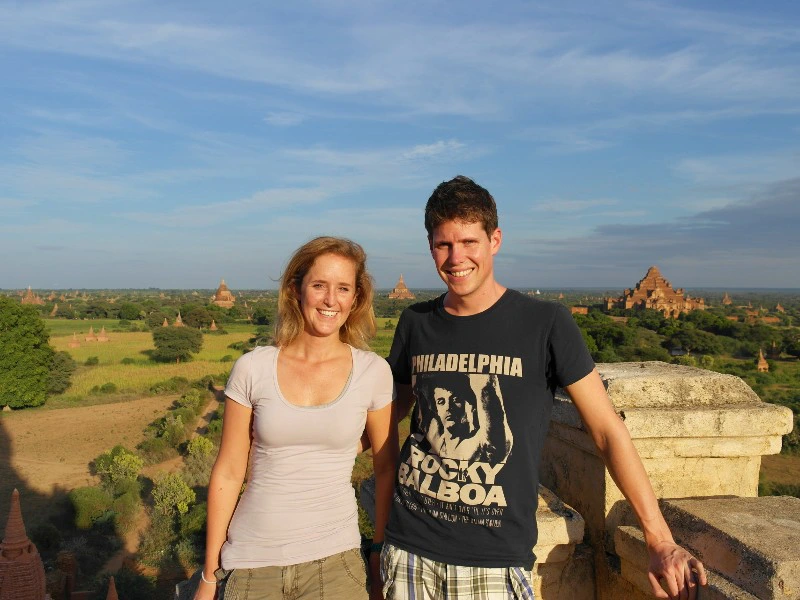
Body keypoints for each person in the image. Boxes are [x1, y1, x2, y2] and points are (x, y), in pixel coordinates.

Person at [380, 176, 707, 600]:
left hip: (493, 559)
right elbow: (387, 414)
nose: (456, 257)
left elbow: (607, 431)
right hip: (409, 549)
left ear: (494, 240)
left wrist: (659, 538)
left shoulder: (544, 323)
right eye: (443, 245)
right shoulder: (415, 323)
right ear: (431, 247)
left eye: (468, 242)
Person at [194, 236, 397, 600]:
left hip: (335, 562)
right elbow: (227, 471)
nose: (330, 300)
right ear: (296, 290)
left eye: (343, 288)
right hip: (253, 561)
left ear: (356, 298)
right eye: (319, 285)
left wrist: (379, 553)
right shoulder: (253, 368)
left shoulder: (373, 372)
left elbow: (385, 468)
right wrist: (209, 577)